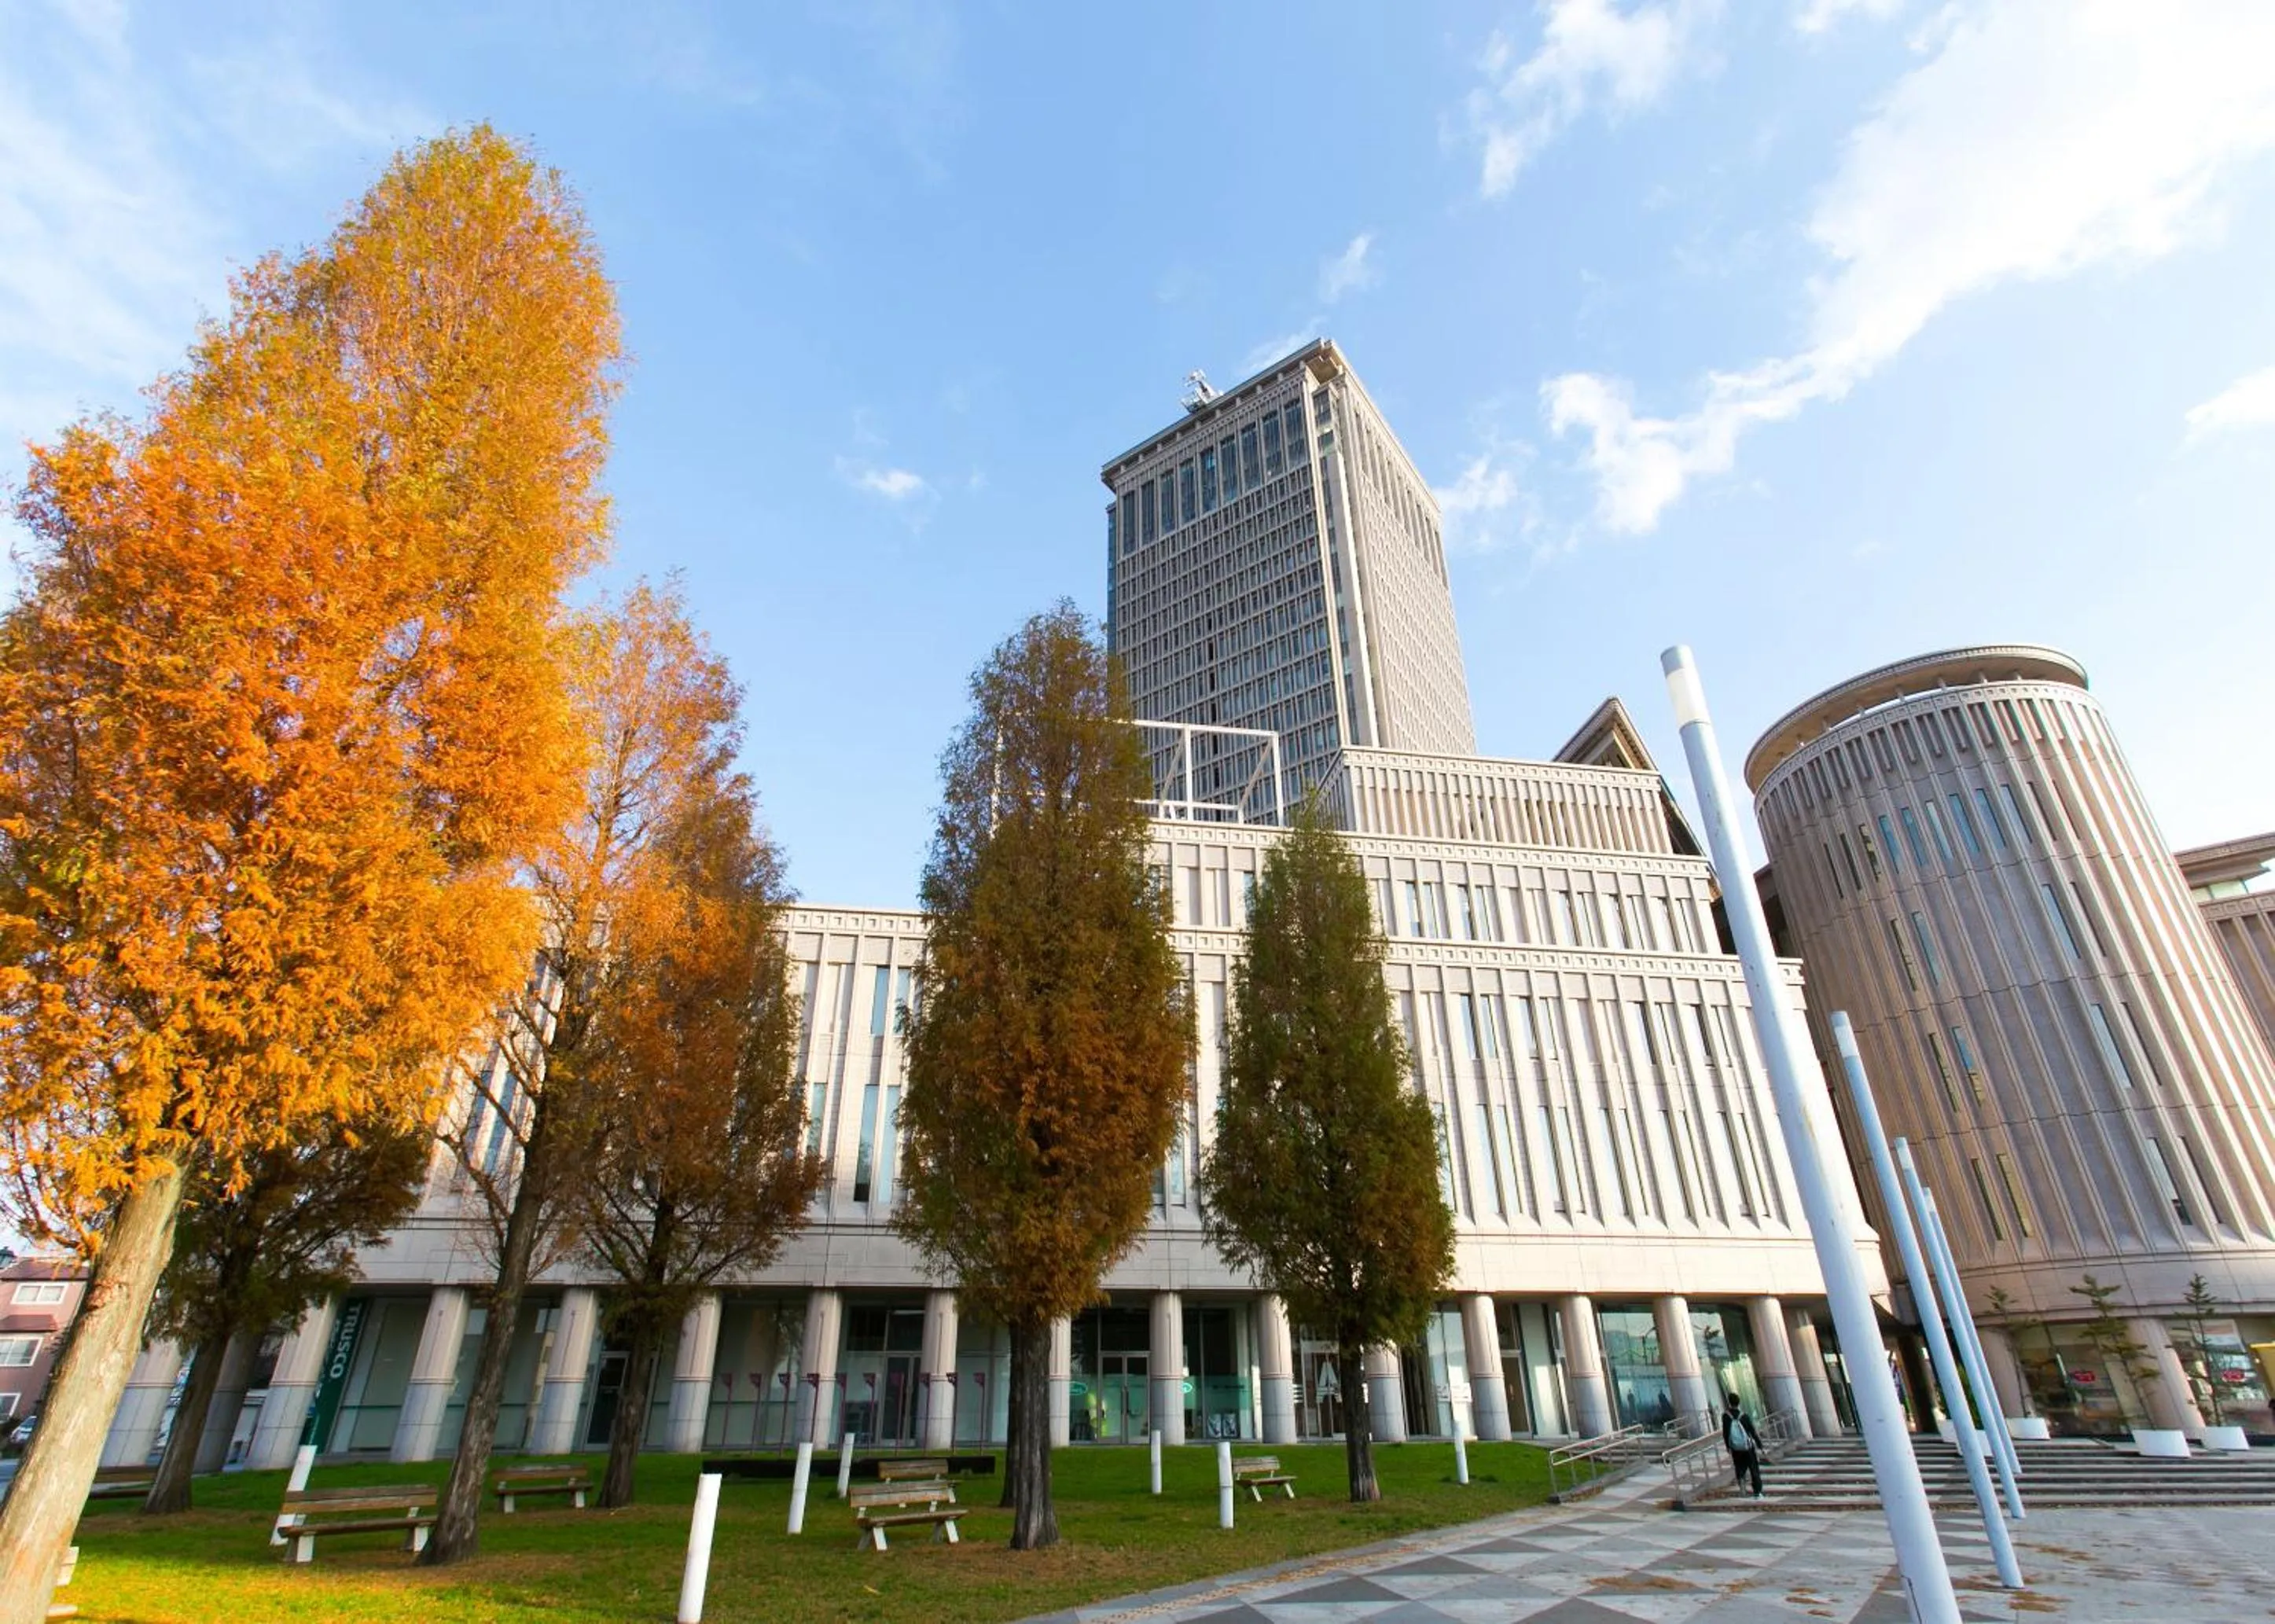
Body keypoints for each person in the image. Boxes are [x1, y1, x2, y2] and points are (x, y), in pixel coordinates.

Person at [1721, 1391, 1764, 1498]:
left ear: (1729, 1402)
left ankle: (1742, 1485)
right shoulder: (1744, 1416)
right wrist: (1760, 1445)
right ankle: (1757, 1492)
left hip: (1736, 1448)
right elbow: (1752, 1431)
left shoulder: (1725, 1416)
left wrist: (1728, 1446)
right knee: (1753, 1468)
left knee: (1739, 1467)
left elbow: (1725, 1433)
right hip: (1747, 1447)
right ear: (1739, 1402)